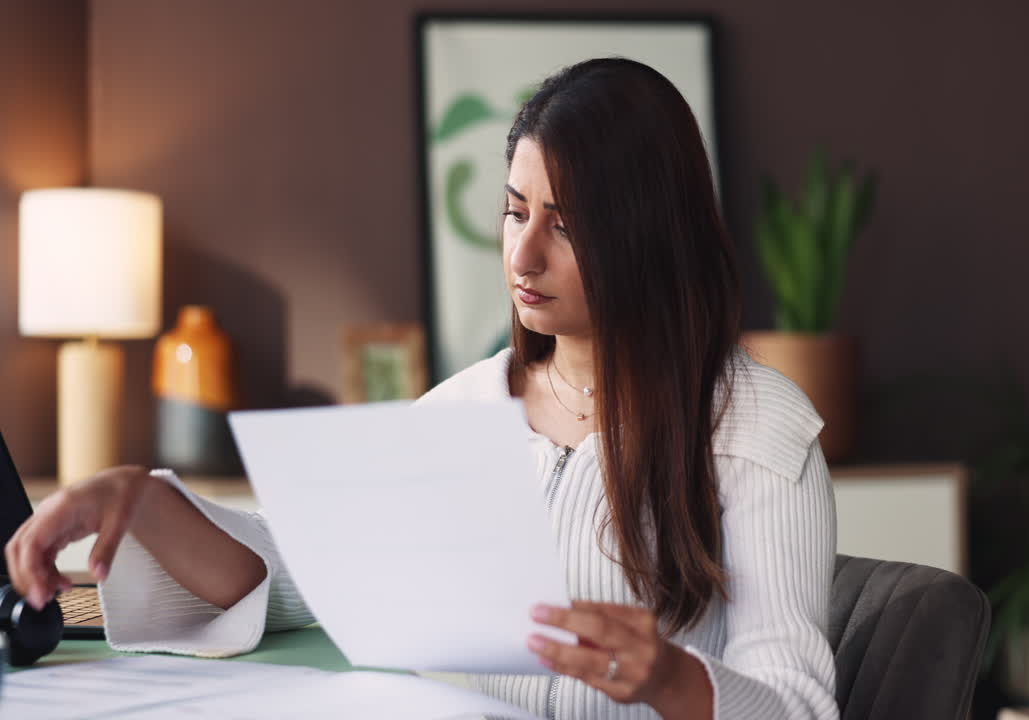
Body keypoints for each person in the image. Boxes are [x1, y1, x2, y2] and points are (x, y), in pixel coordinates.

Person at [5, 58, 838, 719]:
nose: (523, 256)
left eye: (569, 224)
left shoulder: (756, 434)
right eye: (517, 212)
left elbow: (799, 708)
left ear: (651, 234)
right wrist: (142, 502)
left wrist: (670, 679)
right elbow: (294, 579)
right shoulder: (462, 415)